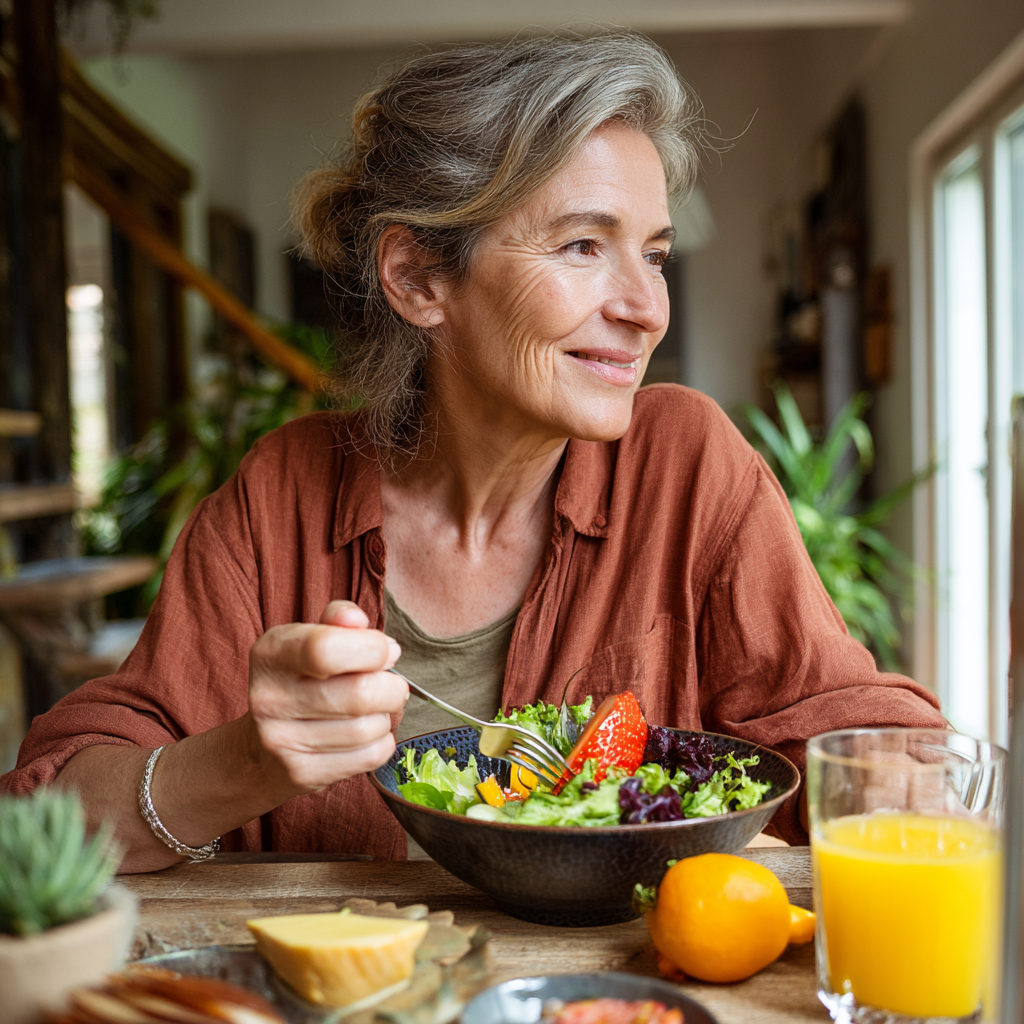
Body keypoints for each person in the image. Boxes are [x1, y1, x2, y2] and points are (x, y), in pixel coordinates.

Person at [1, 33, 943, 870]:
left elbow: (862, 734)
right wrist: (247, 760)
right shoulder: (278, 500)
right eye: (582, 245)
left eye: (653, 255)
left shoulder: (687, 466)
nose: (647, 308)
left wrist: (904, 784)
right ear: (417, 278)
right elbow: (49, 820)